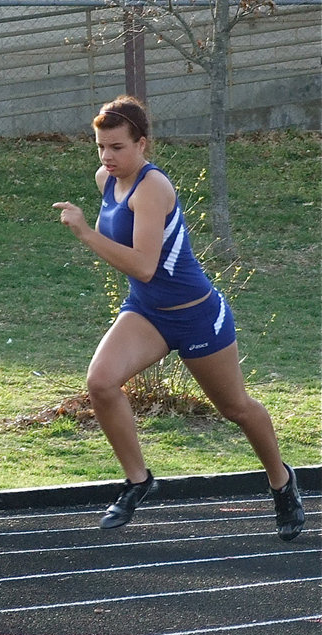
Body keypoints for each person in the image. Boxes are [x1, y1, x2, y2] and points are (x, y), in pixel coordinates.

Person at [53, 95, 305, 539]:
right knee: (101, 381)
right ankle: (138, 480)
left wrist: (85, 233)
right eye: (101, 147)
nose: (108, 157)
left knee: (235, 408)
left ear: (142, 144)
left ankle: (282, 483)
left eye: (117, 148)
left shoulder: (153, 187)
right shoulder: (105, 181)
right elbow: (142, 275)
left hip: (195, 316)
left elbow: (144, 265)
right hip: (147, 312)